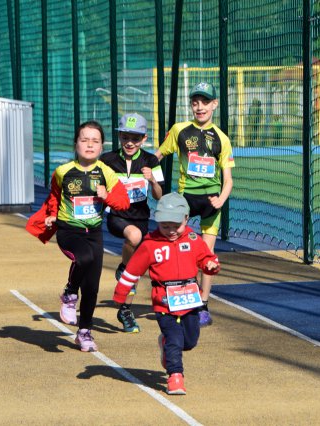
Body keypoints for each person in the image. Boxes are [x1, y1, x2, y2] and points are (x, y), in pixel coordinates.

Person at [26, 121, 130, 352]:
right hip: (68, 231)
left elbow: (123, 203)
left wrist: (106, 197)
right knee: (83, 258)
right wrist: (52, 214)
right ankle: (70, 293)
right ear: (76, 144)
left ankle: (84, 332)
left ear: (102, 147)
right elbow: (54, 196)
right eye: (84, 140)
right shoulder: (63, 172)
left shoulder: (107, 173)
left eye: (95, 141)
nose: (89, 145)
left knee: (92, 288)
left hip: (94, 233)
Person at [113, 192, 220, 395]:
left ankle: (165, 344)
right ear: (158, 222)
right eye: (165, 226)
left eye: (176, 226)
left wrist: (211, 265)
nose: (171, 231)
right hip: (164, 301)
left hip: (190, 300)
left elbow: (206, 258)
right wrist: (121, 295)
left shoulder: (193, 239)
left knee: (189, 341)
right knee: (174, 339)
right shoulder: (150, 244)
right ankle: (175, 376)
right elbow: (132, 270)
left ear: (186, 220)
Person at [155, 81, 234, 327]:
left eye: (205, 102)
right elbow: (156, 157)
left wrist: (221, 198)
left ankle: (203, 304)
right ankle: (176, 295)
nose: (200, 107)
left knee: (207, 256)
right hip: (184, 200)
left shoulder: (222, 138)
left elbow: (228, 180)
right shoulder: (180, 130)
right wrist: (153, 180)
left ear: (214, 105)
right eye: (195, 102)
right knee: (179, 250)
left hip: (211, 202)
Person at [100, 113, 163, 333]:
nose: (129, 142)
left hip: (141, 217)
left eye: (135, 138)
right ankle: (125, 269)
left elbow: (159, 195)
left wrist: (152, 180)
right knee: (134, 239)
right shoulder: (107, 160)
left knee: (136, 269)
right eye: (125, 136)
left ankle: (125, 310)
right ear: (119, 136)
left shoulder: (150, 161)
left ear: (144, 139)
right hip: (117, 216)